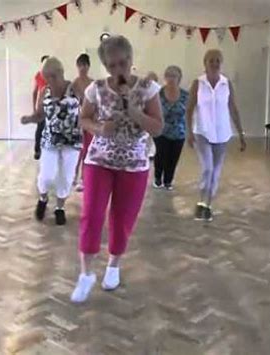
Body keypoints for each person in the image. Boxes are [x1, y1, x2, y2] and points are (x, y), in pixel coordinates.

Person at [70, 35, 163, 303]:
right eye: (112, 65)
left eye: (123, 63)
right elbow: (84, 119)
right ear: (105, 66)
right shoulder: (96, 89)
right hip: (99, 160)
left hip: (134, 164)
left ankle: (113, 265)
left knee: (122, 219)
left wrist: (135, 112)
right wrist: (100, 128)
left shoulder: (148, 88)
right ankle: (86, 274)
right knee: (92, 214)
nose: (119, 69)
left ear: (131, 60)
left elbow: (158, 127)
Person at [185, 49, 246, 222]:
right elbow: (189, 108)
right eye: (211, 60)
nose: (214, 63)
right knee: (208, 168)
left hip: (222, 133)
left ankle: (207, 204)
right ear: (205, 63)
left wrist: (241, 134)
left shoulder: (226, 84)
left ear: (221, 62)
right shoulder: (198, 83)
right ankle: (202, 200)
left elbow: (233, 108)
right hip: (202, 132)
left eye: (217, 60)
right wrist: (189, 131)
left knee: (216, 171)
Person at [21, 57, 82, 225]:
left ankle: (60, 208)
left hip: (72, 141)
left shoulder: (75, 88)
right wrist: (29, 119)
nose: (50, 80)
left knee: (66, 177)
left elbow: (87, 110)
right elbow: (39, 115)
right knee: (46, 175)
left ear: (61, 73)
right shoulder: (44, 91)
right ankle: (43, 198)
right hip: (50, 140)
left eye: (53, 76)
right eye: (47, 77)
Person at [153, 65, 188, 190]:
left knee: (173, 158)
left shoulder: (185, 95)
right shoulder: (158, 94)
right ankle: (157, 178)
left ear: (179, 78)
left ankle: (168, 180)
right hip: (161, 131)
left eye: (174, 76)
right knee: (161, 156)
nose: (171, 78)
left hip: (179, 132)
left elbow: (189, 113)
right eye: (168, 75)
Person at [72, 54, 94, 192]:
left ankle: (83, 179)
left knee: (87, 151)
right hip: (77, 121)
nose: (82, 68)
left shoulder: (93, 83)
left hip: (90, 121)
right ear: (77, 66)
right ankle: (72, 176)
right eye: (80, 65)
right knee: (77, 151)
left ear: (88, 66)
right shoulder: (74, 84)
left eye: (85, 65)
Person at [33, 55, 49, 160]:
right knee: (40, 128)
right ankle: (37, 150)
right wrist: (34, 107)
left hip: (52, 107)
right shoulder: (38, 76)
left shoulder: (55, 75)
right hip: (41, 107)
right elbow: (34, 92)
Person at [146, 71, 159, 160]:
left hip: (153, 117)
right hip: (145, 116)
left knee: (151, 137)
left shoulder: (158, 89)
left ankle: (151, 153)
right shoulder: (142, 89)